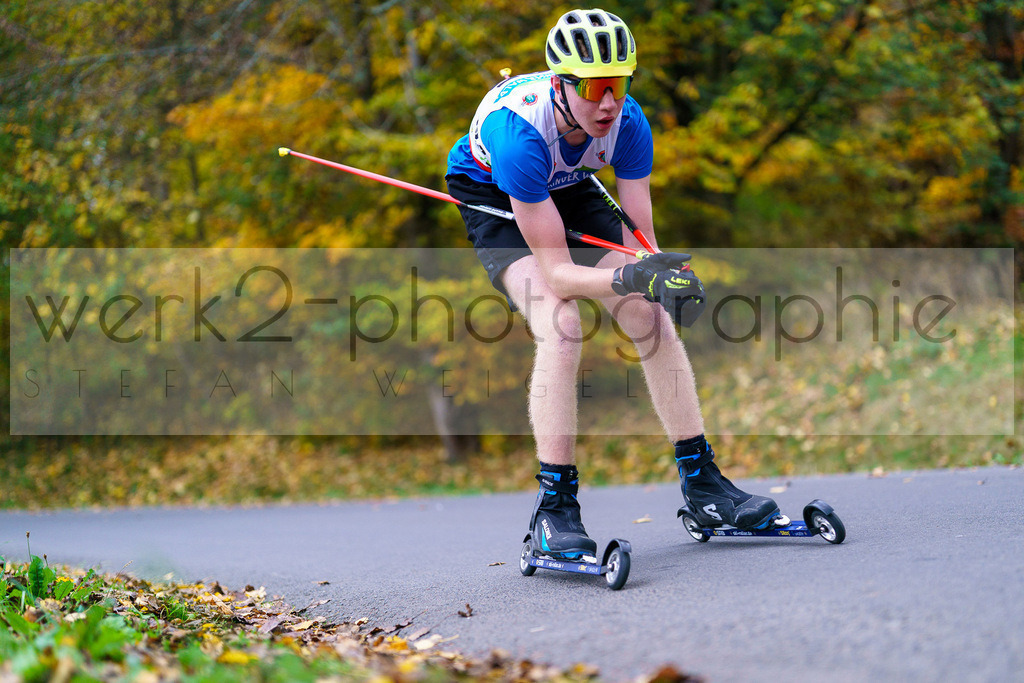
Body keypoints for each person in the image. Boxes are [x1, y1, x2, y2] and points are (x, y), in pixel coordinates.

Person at [445, 9, 782, 559]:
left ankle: (704, 486)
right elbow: (557, 275)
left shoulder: (628, 123)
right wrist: (629, 274)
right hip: (498, 190)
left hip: (572, 182)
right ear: (561, 85)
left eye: (620, 85)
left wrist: (662, 278)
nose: (609, 102)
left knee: (648, 312)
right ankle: (554, 508)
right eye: (596, 87)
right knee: (562, 323)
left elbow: (643, 244)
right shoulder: (517, 138)